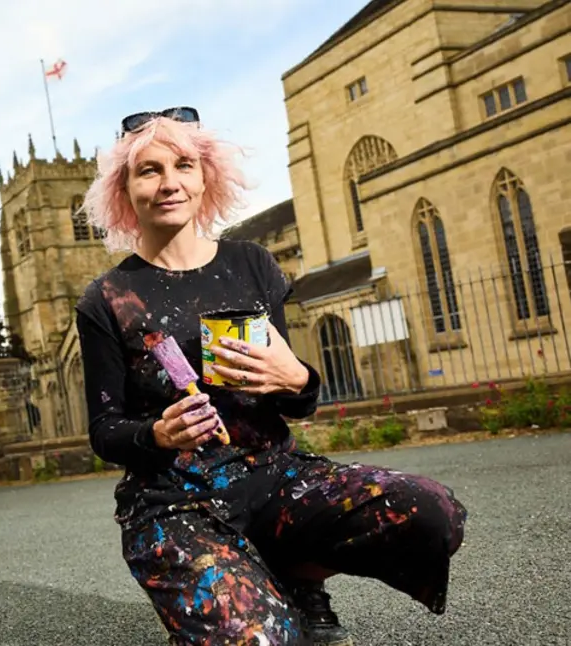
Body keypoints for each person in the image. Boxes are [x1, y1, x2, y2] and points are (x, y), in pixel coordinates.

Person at [73, 107, 467, 646]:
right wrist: (156, 435)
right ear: (124, 187)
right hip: (174, 498)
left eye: (184, 165)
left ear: (206, 175)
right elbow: (104, 432)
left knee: (431, 512)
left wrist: (299, 377)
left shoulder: (252, 265)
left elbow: (295, 402)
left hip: (276, 475)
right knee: (261, 638)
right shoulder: (106, 298)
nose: (170, 183)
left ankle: (298, 579)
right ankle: (223, 602)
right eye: (150, 170)